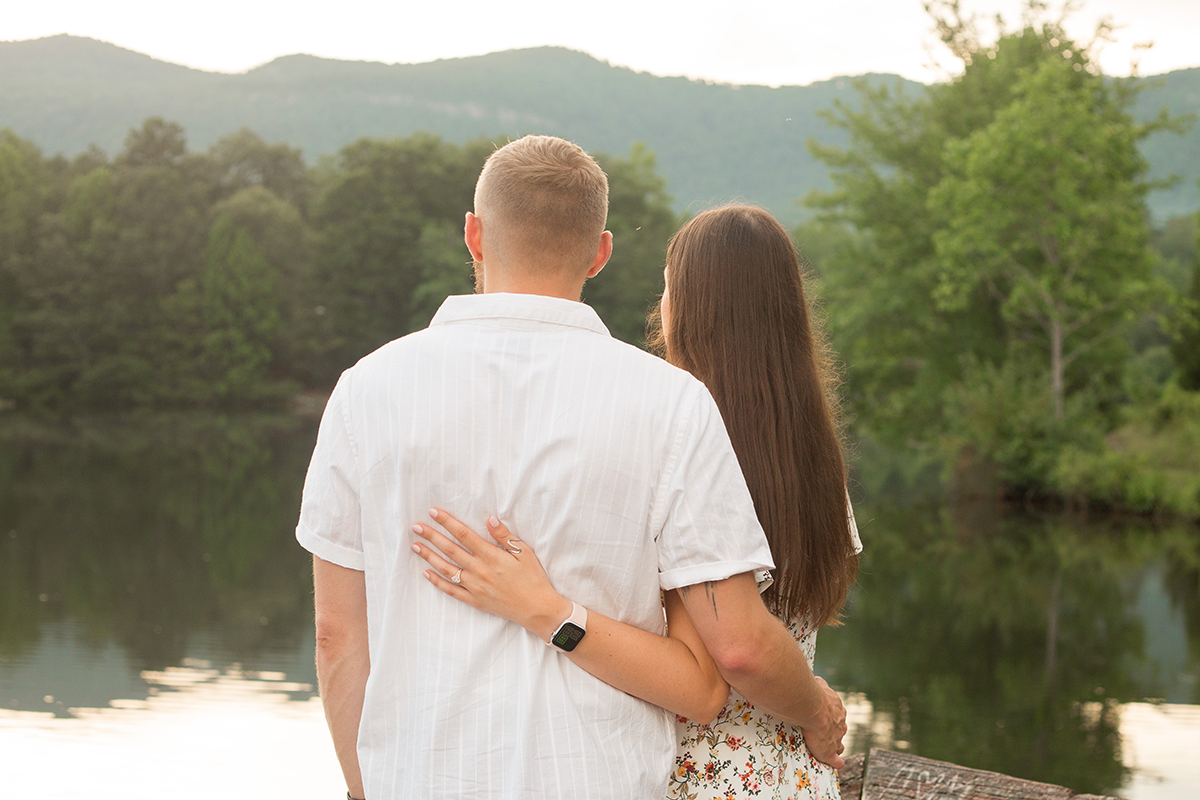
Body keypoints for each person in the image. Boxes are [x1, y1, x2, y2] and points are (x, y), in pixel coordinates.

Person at [296, 137, 847, 800]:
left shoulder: (364, 392)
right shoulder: (670, 405)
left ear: (473, 234)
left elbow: (336, 638)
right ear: (601, 252)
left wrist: (365, 789)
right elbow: (714, 674)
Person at [411, 204, 861, 800]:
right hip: (795, 780)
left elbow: (740, 650)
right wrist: (813, 703)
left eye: (669, 290)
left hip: (692, 779)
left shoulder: (676, 449)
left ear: (692, 312)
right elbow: (789, 628)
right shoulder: (819, 466)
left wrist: (545, 608)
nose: (662, 307)